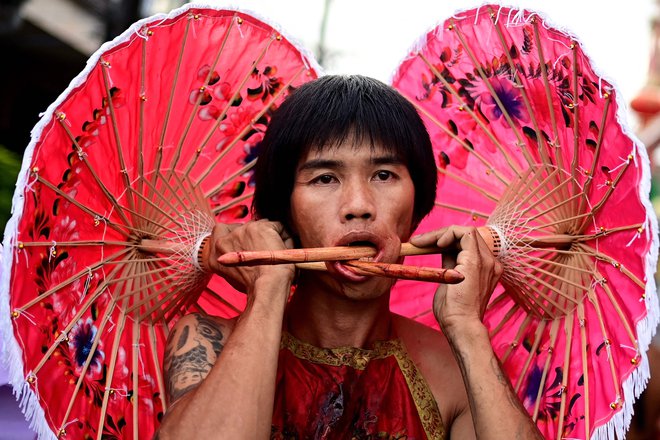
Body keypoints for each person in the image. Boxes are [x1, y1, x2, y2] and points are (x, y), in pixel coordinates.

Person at [156, 75, 543, 439]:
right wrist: (269, 286)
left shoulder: (454, 370)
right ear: (285, 208)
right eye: (325, 178)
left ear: (417, 204)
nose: (359, 206)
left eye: (384, 175)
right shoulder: (207, 342)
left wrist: (467, 328)